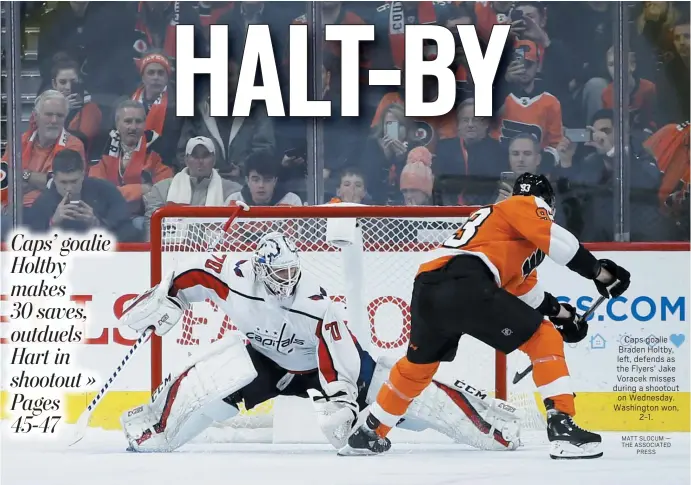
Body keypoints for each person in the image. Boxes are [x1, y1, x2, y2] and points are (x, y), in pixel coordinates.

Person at [117, 232, 527, 453]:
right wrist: (163, 299)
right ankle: (152, 427)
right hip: (267, 362)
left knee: (407, 405)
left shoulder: (315, 304)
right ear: (260, 271)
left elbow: (337, 356)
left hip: (327, 364)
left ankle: (491, 422)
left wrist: (341, 401)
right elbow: (187, 274)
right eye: (277, 275)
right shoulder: (233, 277)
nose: (286, 282)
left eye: (291, 272)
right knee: (207, 396)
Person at [344, 173, 631, 460]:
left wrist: (563, 314)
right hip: (466, 280)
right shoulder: (525, 204)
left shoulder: (500, 231)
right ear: (547, 204)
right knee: (543, 338)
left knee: (417, 368)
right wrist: (599, 272)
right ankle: (563, 430)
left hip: (428, 287)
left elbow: (525, 292)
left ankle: (369, 432)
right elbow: (560, 241)